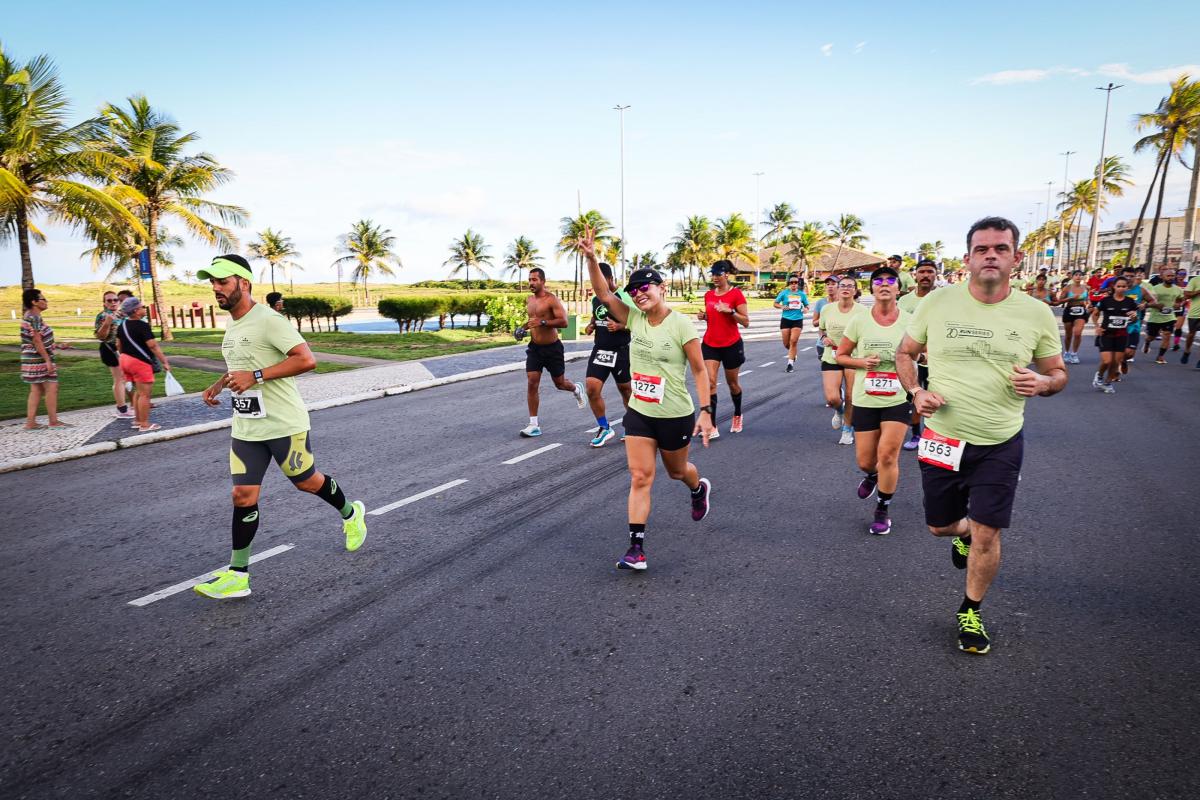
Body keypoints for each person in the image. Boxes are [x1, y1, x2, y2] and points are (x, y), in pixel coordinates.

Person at [896, 216, 1066, 655]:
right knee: (939, 526)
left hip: (1000, 442)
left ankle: (970, 609)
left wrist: (1045, 384)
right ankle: (962, 531)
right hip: (942, 437)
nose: (991, 255)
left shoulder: (1035, 312)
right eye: (982, 248)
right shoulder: (937, 303)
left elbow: (1057, 372)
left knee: (989, 533)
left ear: (1016, 257)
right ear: (968, 257)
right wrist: (916, 391)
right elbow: (905, 353)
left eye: (1001, 248)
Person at [194, 254, 368, 600]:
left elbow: (306, 359)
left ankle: (351, 512)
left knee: (306, 482)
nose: (215, 288)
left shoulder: (269, 320)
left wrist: (256, 377)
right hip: (247, 426)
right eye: (212, 282)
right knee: (242, 496)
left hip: (284, 423)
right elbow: (242, 365)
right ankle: (238, 574)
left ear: (243, 283)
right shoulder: (233, 325)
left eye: (222, 281)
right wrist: (220, 384)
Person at [580, 229, 715, 572]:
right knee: (640, 476)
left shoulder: (681, 325)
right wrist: (592, 259)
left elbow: (700, 371)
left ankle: (698, 488)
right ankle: (636, 548)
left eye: (646, 288)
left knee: (677, 472)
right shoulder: (634, 318)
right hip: (640, 412)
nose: (639, 294)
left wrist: (705, 411)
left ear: (662, 288)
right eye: (635, 290)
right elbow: (603, 293)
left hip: (675, 414)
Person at [835, 265, 911, 535]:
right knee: (866, 461)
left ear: (898, 288)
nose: (884, 284)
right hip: (866, 398)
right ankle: (872, 475)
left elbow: (923, 354)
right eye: (878, 280)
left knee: (888, 455)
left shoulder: (910, 321)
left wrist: (918, 359)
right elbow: (840, 355)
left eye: (890, 280)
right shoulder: (860, 321)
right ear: (872, 289)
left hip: (898, 396)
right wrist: (861, 361)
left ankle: (882, 508)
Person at [520, 267, 586, 437]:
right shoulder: (530, 300)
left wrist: (543, 322)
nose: (531, 283)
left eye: (535, 280)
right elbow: (531, 321)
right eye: (530, 280)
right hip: (535, 348)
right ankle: (533, 424)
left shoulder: (551, 300)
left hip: (552, 348)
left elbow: (564, 322)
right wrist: (522, 328)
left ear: (543, 281)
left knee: (560, 383)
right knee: (532, 382)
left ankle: (576, 389)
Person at [583, 262, 632, 447]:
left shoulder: (623, 296)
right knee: (592, 389)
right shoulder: (596, 299)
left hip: (620, 351)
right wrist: (591, 325)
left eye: (600, 281)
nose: (597, 286)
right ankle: (604, 427)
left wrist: (620, 326)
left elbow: (636, 322)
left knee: (626, 390)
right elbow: (596, 317)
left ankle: (632, 425)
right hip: (601, 350)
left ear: (610, 279)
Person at [697, 260, 750, 435]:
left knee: (732, 384)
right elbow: (713, 319)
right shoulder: (709, 295)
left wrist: (731, 312)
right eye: (712, 274)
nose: (714, 277)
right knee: (710, 382)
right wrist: (704, 316)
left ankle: (737, 414)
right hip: (710, 343)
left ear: (727, 275)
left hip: (731, 345)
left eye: (718, 274)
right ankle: (712, 426)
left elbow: (746, 322)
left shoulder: (736, 295)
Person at [818, 276, 865, 445]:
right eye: (842, 285)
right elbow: (821, 329)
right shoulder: (827, 309)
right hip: (831, 356)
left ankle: (847, 429)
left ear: (855, 290)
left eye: (850, 286)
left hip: (853, 357)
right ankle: (840, 410)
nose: (846, 288)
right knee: (832, 398)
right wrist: (824, 338)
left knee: (852, 396)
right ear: (837, 289)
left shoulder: (862, 311)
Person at [898, 258, 938, 450]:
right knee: (914, 395)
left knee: (938, 399)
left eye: (930, 272)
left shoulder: (944, 298)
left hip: (938, 360)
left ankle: (936, 435)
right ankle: (916, 435)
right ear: (916, 275)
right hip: (912, 358)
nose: (926, 275)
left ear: (935, 275)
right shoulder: (905, 301)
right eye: (922, 272)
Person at [116, 297, 170, 433]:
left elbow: (118, 345)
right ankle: (144, 424)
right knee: (145, 395)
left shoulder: (122, 325)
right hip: (139, 362)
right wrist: (164, 361)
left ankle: (137, 421)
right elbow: (153, 346)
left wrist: (125, 357)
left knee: (138, 392)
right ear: (135, 310)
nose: (144, 309)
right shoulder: (142, 325)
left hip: (125, 360)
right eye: (142, 307)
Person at [20, 288, 72, 429]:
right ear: (34, 302)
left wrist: (58, 346)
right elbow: (37, 341)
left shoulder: (29, 315)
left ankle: (30, 423)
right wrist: (47, 360)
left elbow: (39, 339)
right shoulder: (34, 317)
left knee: (36, 390)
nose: (46, 302)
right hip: (39, 358)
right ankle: (53, 421)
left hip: (30, 357)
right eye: (43, 299)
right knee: (52, 387)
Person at [1090, 277, 1138, 392]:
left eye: (1123, 286)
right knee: (1107, 361)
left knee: (1115, 362)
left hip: (1121, 335)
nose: (1121, 288)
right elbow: (1095, 314)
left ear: (1127, 288)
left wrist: (1134, 317)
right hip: (1106, 334)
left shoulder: (1130, 302)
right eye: (1119, 286)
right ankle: (1099, 376)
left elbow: (1134, 319)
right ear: (1114, 287)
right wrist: (1097, 326)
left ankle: (1108, 383)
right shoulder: (1106, 300)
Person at [94, 290, 133, 418]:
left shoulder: (122, 314)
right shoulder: (103, 316)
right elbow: (101, 336)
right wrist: (107, 323)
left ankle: (131, 405)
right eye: (109, 300)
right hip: (110, 348)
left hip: (124, 349)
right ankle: (122, 409)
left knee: (125, 378)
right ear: (104, 303)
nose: (113, 302)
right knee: (119, 379)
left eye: (115, 300)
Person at [1144, 270, 1183, 365]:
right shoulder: (1155, 288)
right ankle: (1147, 342)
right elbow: (1148, 302)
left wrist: (1178, 304)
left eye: (1172, 276)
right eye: (1168, 276)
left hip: (1169, 317)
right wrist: (1156, 305)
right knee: (1151, 337)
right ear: (1162, 277)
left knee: (1167, 336)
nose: (1171, 277)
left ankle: (1160, 356)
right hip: (1155, 317)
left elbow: (1180, 299)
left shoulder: (1177, 289)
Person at [773, 275, 810, 372]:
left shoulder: (802, 294)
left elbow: (807, 305)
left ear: (798, 284)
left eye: (795, 282)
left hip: (798, 319)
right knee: (786, 343)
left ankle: (790, 364)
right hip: (786, 319)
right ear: (789, 284)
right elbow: (775, 303)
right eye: (791, 282)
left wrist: (806, 309)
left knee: (793, 341)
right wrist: (782, 307)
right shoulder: (784, 293)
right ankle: (793, 354)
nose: (793, 284)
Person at [1056, 270, 1090, 363]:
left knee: (1077, 333)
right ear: (1072, 277)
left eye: (1080, 275)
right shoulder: (1067, 288)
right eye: (1076, 275)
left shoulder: (1086, 288)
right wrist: (1071, 298)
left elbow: (1088, 300)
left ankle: (1074, 354)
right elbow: (1060, 301)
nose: (1078, 277)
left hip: (1081, 311)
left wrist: (1088, 305)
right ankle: (1066, 352)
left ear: (1082, 277)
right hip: (1069, 310)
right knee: (1068, 335)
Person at [812, 275, 840, 362]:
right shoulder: (820, 303)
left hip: (840, 343)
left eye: (833, 284)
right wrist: (825, 318)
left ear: (839, 286)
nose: (830, 286)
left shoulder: (843, 302)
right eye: (828, 284)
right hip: (823, 343)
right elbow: (814, 323)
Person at [1183, 270, 1200, 365]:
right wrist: (1198, 291)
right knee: (1191, 335)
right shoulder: (1195, 280)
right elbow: (1186, 294)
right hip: (1195, 313)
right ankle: (1187, 350)